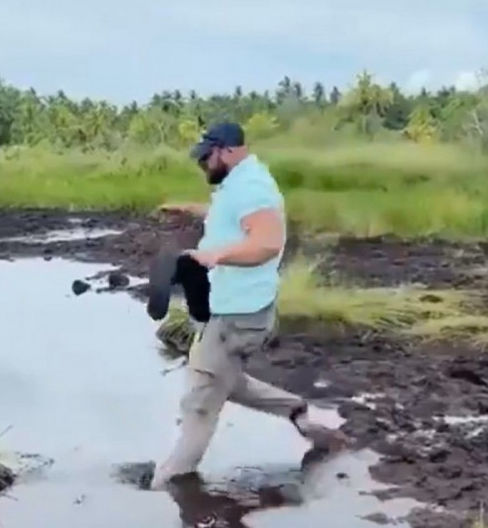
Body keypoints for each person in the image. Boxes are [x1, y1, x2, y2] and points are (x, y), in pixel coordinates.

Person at [150, 122, 350, 490]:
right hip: (231, 308)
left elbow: (268, 242)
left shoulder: (252, 187)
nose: (202, 164)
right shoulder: (238, 182)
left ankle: (170, 482)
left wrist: (216, 255)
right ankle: (296, 410)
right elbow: (238, 220)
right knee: (224, 378)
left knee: (200, 401)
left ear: (226, 150)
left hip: (237, 317)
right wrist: (197, 223)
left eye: (206, 158)